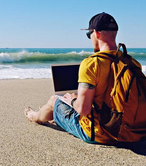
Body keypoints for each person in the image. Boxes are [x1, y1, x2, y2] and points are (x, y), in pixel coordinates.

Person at [24, 12, 126, 144]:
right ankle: (56, 116)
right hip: (128, 131)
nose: (90, 38)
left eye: (89, 34)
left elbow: (83, 110)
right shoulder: (130, 62)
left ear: (96, 33)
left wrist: (73, 100)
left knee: (55, 100)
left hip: (99, 134)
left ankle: (35, 116)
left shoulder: (91, 64)